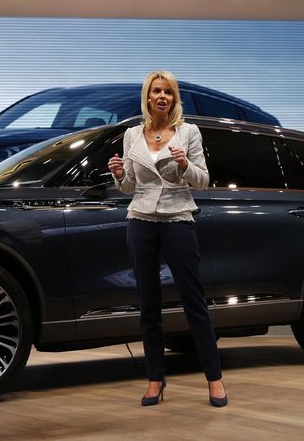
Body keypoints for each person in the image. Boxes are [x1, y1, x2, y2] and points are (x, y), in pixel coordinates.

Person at [107, 70, 227, 407]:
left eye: (169, 92)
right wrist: (119, 175)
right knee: (148, 305)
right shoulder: (132, 135)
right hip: (141, 219)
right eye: (157, 91)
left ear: (174, 99)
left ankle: (214, 379)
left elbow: (202, 181)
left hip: (178, 217)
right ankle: (155, 379)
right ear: (147, 97)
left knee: (194, 302)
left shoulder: (188, 132)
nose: (162, 97)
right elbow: (130, 186)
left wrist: (185, 164)